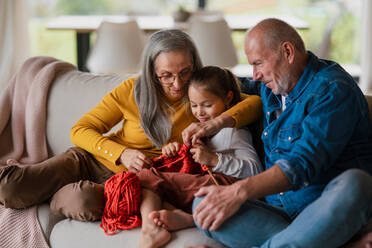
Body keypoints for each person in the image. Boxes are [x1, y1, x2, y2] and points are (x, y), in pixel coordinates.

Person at [0, 29, 262, 242]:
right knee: (10, 188)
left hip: (126, 182)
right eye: (166, 76)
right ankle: (44, 187)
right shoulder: (130, 91)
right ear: (151, 72)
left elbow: (254, 104)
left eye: (185, 72)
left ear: (195, 66)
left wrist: (211, 125)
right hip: (90, 160)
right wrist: (121, 153)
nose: (178, 84)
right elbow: (80, 130)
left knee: (83, 202)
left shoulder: (200, 96)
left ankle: (51, 193)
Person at [188, 18, 372, 248]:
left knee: (357, 184)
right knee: (203, 204)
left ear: (287, 51)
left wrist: (237, 192)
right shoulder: (271, 86)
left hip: (324, 212)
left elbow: (301, 165)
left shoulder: (332, 89)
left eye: (258, 63)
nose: (255, 75)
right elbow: (222, 87)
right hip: (280, 216)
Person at [136, 66, 262, 247]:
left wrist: (213, 160)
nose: (199, 112)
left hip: (228, 185)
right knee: (152, 179)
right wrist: (174, 149)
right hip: (209, 180)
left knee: (146, 178)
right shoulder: (202, 127)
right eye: (194, 105)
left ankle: (151, 230)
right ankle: (188, 218)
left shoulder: (235, 131)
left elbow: (254, 170)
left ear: (228, 98)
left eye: (207, 105)